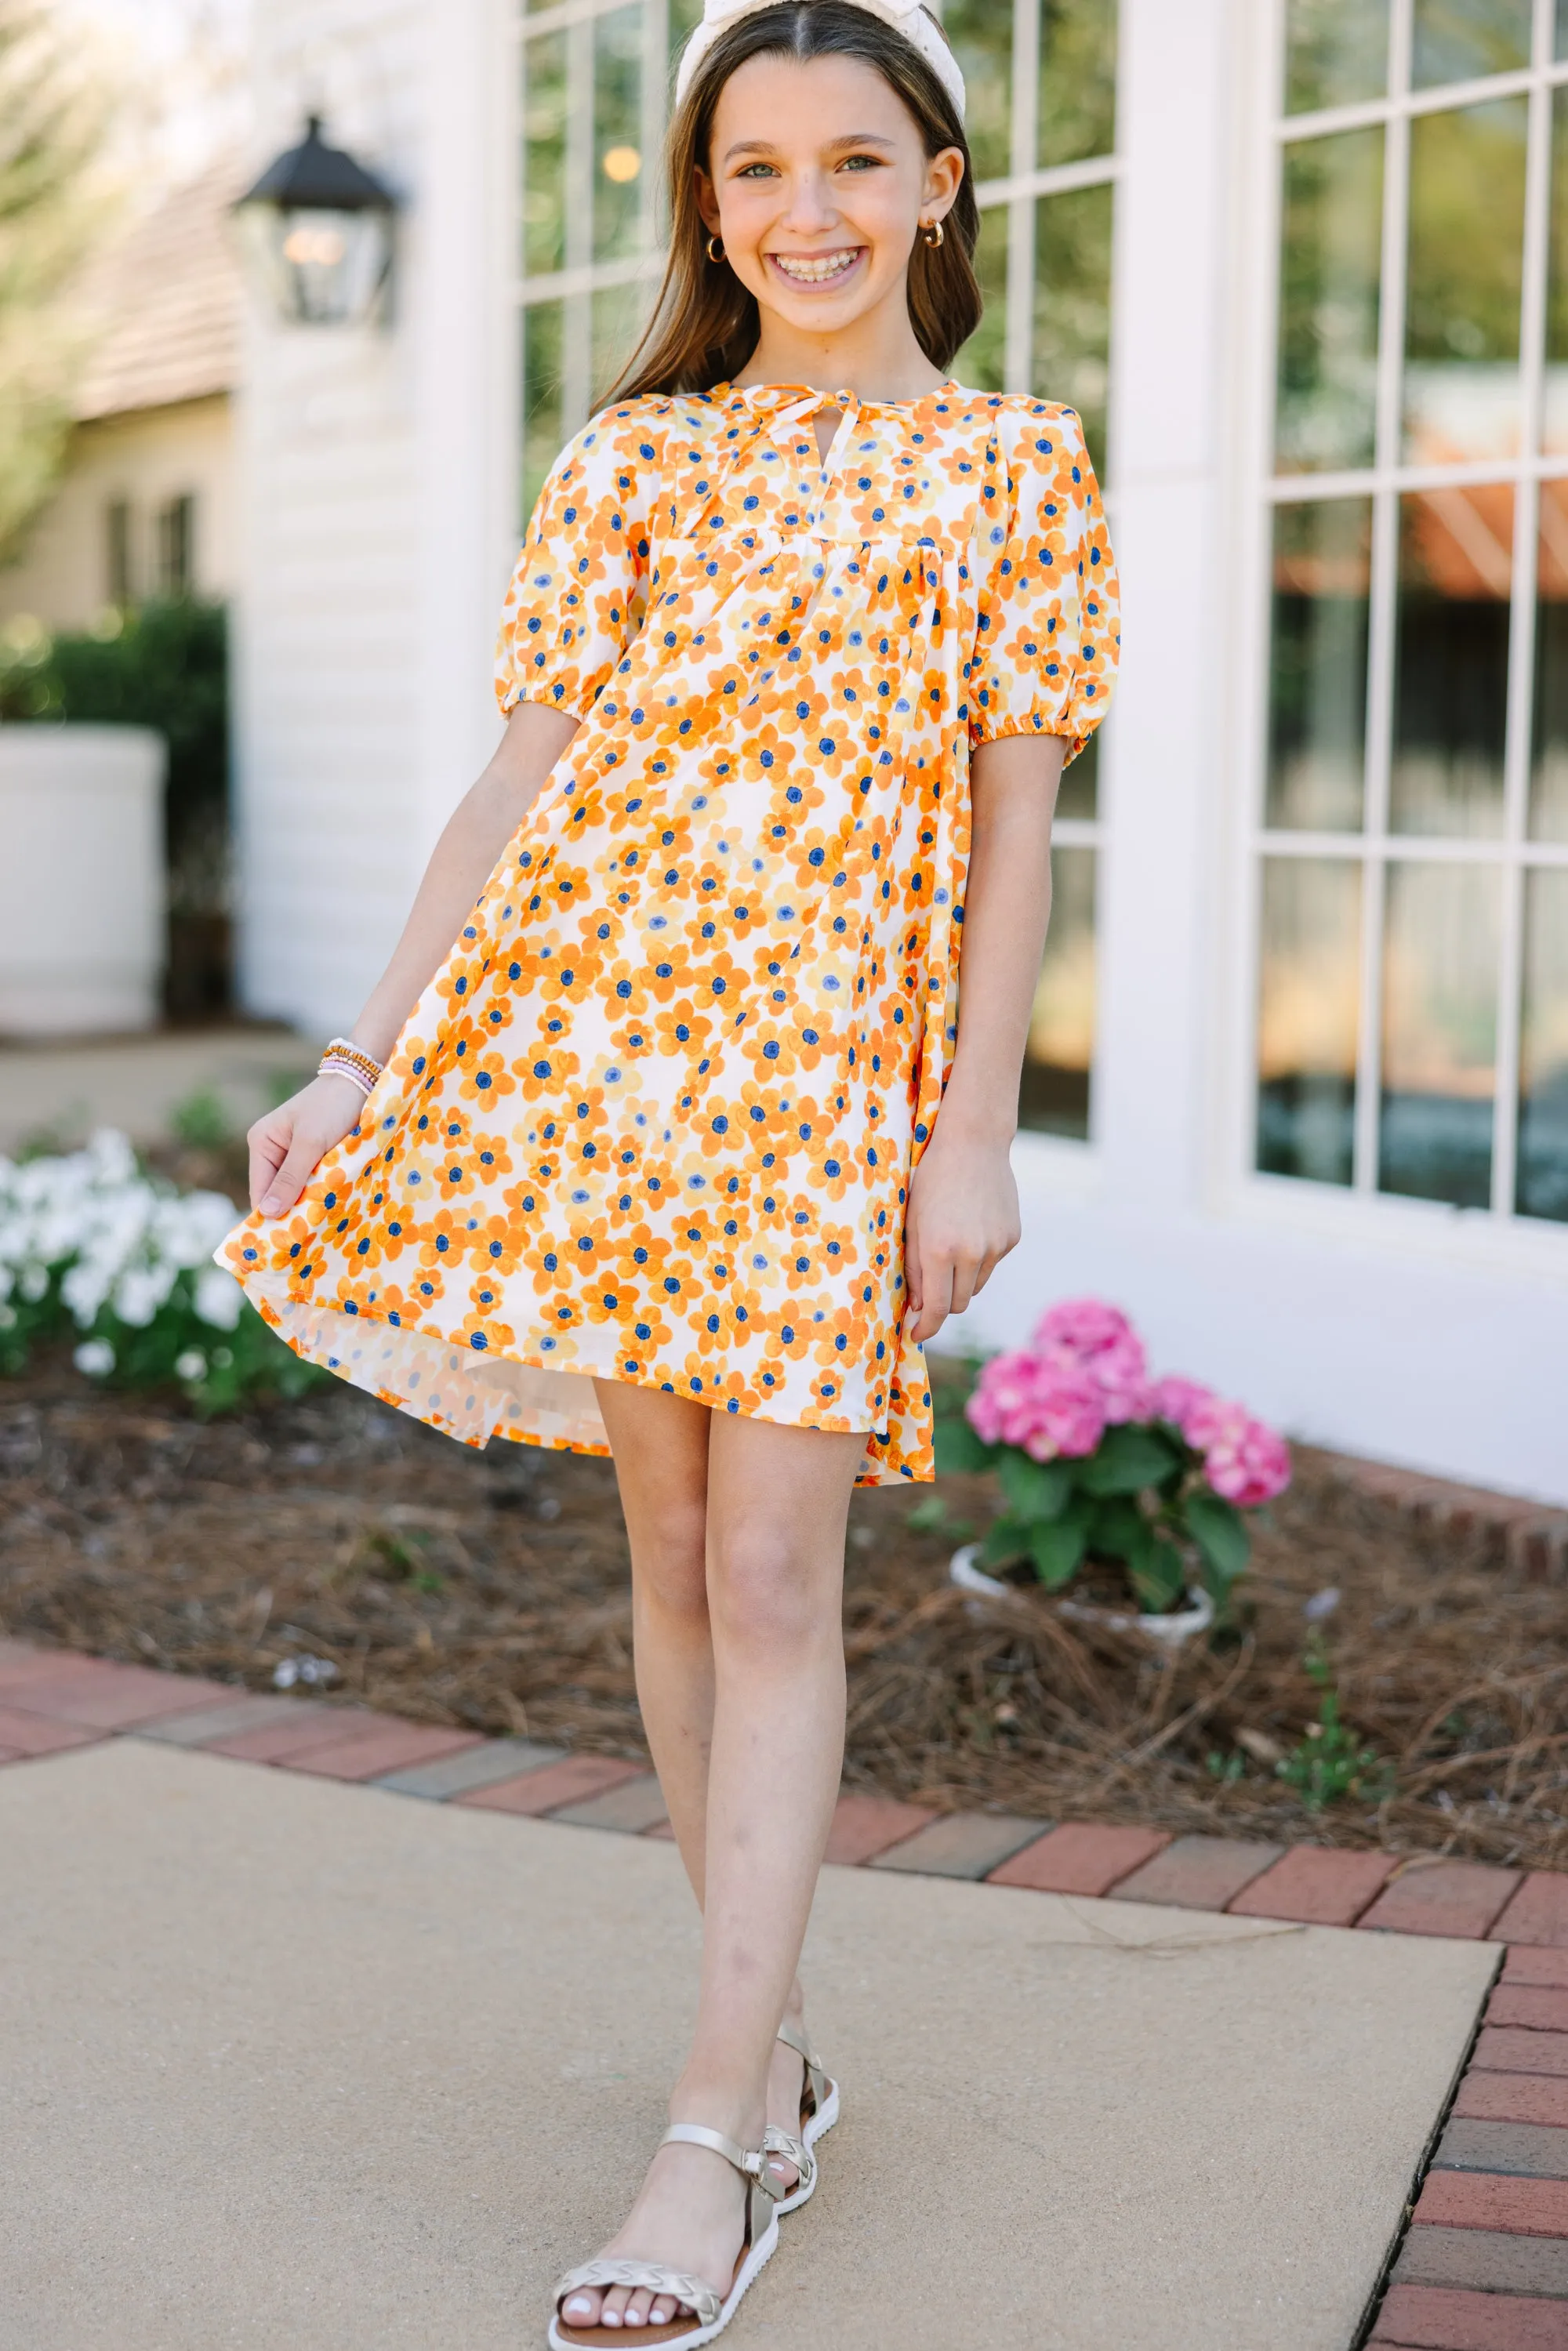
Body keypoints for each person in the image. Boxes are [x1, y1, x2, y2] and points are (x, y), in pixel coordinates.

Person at [220, 0, 1118, 2337]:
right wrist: (355, 1060)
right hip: (593, 1062)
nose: (802, 213)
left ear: (937, 182)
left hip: (828, 1100)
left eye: (850, 162)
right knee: (679, 1554)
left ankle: (708, 2128)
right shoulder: (629, 463)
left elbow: (1016, 849)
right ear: (705, 209)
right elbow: (515, 790)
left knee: (779, 1571)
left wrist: (979, 1134)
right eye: (752, 173)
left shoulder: (1017, 473)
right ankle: (770, 2040)